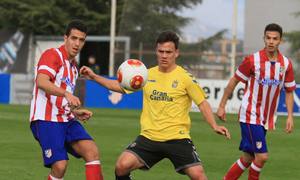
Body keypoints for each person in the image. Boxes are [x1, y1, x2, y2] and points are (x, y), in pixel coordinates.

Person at [80, 30, 231, 180]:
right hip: (149, 137)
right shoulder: (146, 75)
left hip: (177, 139)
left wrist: (214, 125)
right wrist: (94, 77)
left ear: (176, 53)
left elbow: (202, 103)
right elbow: (120, 87)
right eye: (161, 51)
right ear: (156, 51)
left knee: (199, 176)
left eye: (168, 52)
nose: (164, 55)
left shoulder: (185, 78)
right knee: (121, 166)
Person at [217, 23, 296, 180]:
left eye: (275, 38)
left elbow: (289, 91)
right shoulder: (252, 60)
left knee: (248, 158)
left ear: (281, 41)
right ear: (264, 39)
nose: (271, 41)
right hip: (250, 114)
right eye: (268, 38)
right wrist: (221, 105)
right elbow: (234, 81)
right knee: (262, 157)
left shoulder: (286, 64)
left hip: (265, 118)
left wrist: (289, 116)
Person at [29, 20, 104, 180]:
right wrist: (66, 94)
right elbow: (42, 82)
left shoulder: (74, 67)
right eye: (74, 38)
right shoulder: (52, 55)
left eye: (81, 40)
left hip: (65, 119)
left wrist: (75, 113)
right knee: (60, 166)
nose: (77, 43)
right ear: (65, 38)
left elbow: (62, 101)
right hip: (46, 119)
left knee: (91, 151)